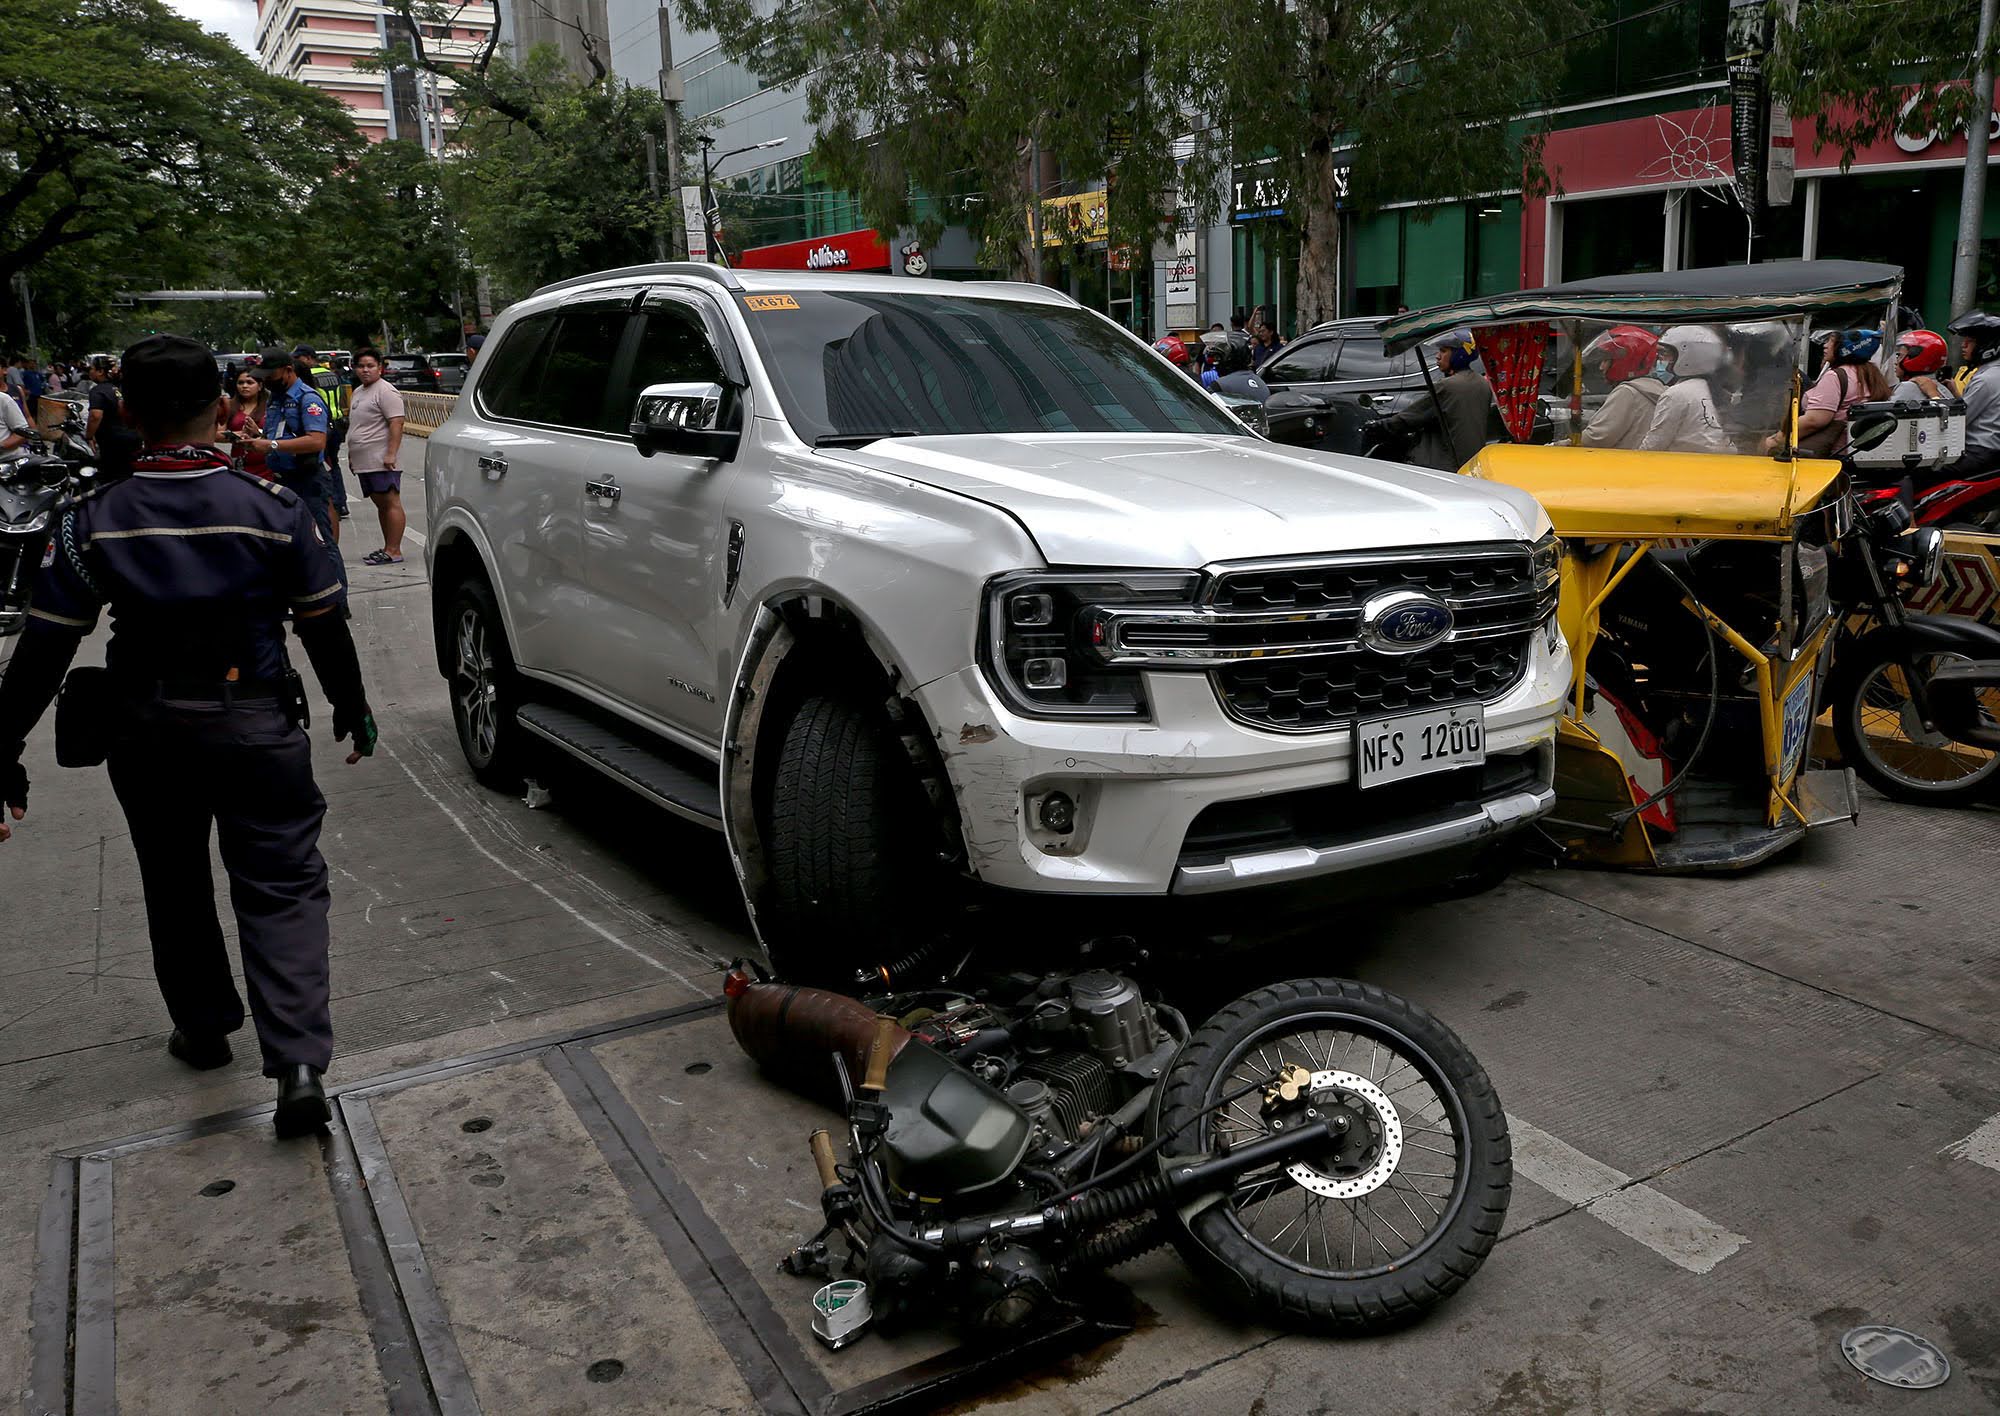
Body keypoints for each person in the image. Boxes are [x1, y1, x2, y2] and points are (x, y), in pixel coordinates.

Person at [0, 334, 378, 1137]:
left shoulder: (86, 524)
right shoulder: (274, 511)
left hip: (147, 731)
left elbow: (45, 646)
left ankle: (204, 1031)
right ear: (221, 406)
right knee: (281, 885)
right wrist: (352, 703)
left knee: (173, 879)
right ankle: (300, 1062)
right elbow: (325, 625)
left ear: (128, 413)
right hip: (259, 726)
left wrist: (3, 746)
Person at [243, 349, 344, 602]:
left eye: (270, 375)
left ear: (288, 371)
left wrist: (271, 446)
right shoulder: (277, 397)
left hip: (307, 478)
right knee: (290, 542)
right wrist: (258, 437)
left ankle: (337, 601)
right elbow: (279, 434)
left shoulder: (307, 398)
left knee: (321, 540)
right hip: (282, 477)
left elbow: (316, 441)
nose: (265, 380)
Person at [1373, 330, 1495, 471]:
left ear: (1458, 354)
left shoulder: (1447, 386)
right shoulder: (1482, 383)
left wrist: (1381, 426)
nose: (1437, 356)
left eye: (1443, 351)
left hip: (1443, 464)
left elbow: (1410, 418)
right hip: (1472, 462)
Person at [1771, 329, 1890, 456]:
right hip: (1850, 453)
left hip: (1829, 454)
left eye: (1831, 342)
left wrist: (1779, 438)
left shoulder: (1835, 376)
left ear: (1845, 348)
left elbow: (1814, 420)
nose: (1825, 345)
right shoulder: (1870, 373)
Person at [346, 347, 408, 564]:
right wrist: (352, 456)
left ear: (380, 368)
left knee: (390, 502)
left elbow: (397, 422)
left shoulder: (386, 391)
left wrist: (391, 454)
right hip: (365, 460)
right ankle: (387, 547)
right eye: (361, 366)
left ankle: (394, 550)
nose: (365, 370)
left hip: (381, 459)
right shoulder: (359, 391)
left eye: (370, 366)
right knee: (381, 504)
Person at [1640, 326, 1733, 454]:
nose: (1660, 360)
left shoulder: (1676, 394)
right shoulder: (1719, 391)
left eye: (1666, 354)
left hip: (1685, 468)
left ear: (1688, 356)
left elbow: (1655, 444)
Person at [294, 345, 349, 543]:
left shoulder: (309, 378)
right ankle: (341, 502)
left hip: (320, 425)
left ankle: (332, 501)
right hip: (337, 423)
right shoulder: (331, 374)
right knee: (333, 464)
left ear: (308, 358)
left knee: (322, 464)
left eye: (299, 358)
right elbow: (342, 397)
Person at [1580, 325, 1665, 449]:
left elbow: (1596, 438)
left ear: (1626, 360)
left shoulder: (1627, 392)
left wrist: (1562, 444)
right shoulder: (1656, 388)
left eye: (1606, 360)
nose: (1601, 367)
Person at [1943, 310, 2000, 477]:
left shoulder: (1986, 379)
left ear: (1988, 345)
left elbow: (1958, 422)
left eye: (1970, 341)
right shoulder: (1991, 373)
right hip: (1989, 453)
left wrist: (1932, 394)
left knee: (1914, 473)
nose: (1963, 345)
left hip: (1978, 453)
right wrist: (1955, 392)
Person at [224, 367, 271, 475]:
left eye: (250, 382)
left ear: (259, 386)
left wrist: (258, 432)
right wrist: (237, 435)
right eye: (240, 383)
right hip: (238, 466)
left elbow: (279, 438)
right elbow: (216, 434)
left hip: (265, 466)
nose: (244, 386)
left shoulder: (271, 406)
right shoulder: (229, 406)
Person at [1891, 330, 1952, 404]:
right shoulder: (1944, 389)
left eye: (1900, 356)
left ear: (1915, 358)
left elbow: (1885, 413)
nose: (1896, 362)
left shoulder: (1908, 387)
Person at [1212, 331, 1270, 403]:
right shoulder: (1261, 383)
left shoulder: (1220, 385)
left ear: (1229, 358)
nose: (1216, 362)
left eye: (1218, 358)